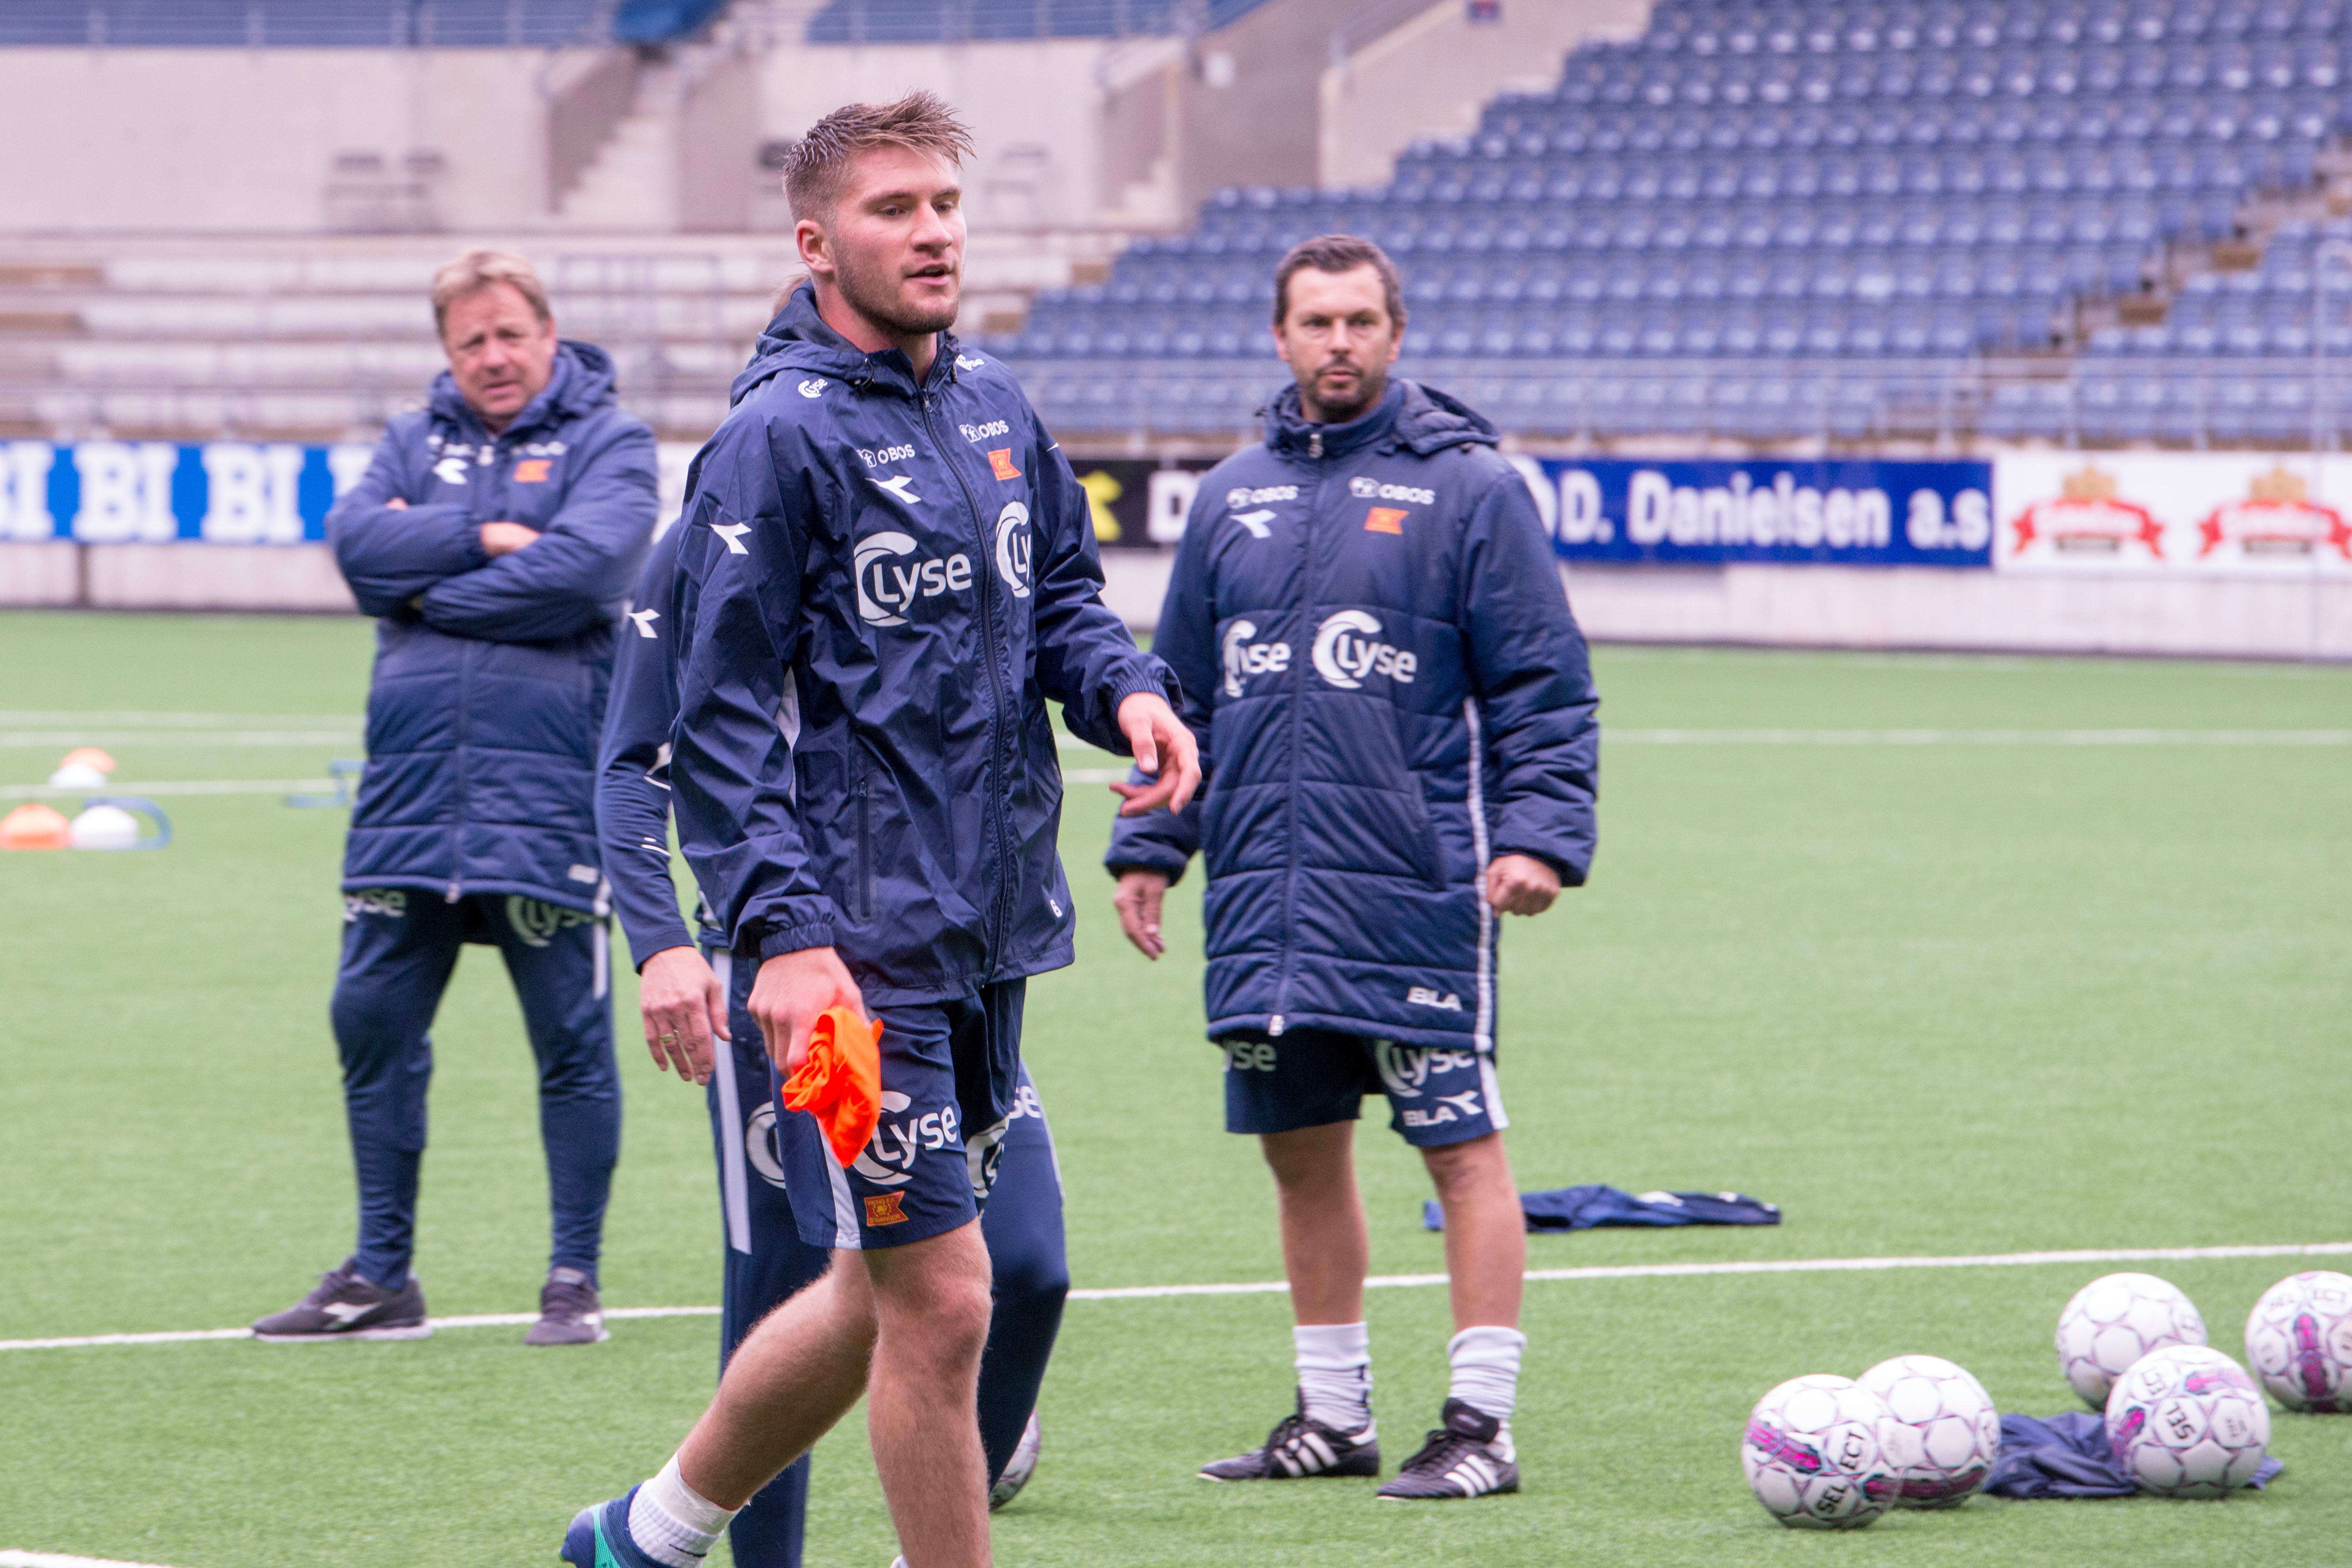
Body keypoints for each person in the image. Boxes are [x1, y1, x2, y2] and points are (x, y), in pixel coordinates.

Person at [562, 91, 1197, 1568]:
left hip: (987, 937)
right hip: (851, 965)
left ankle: (644, 1535)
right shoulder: (771, 442)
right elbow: (713, 721)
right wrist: (775, 938)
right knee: (947, 1298)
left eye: (945, 206)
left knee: (875, 1291)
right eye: (892, 209)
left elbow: (1061, 601)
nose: (931, 234)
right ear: (815, 242)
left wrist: (1129, 693)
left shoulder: (995, 406)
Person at [1104, 234, 1599, 1501]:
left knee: (1461, 1146)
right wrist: (1152, 846)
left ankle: (1481, 1424)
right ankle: (1334, 1415)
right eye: (1315, 321)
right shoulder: (1230, 496)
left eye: (1359, 321)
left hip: (1414, 886)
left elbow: (1543, 684)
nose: (1337, 341)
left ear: (1395, 333)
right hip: (1265, 894)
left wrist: (1539, 835)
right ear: (1279, 336)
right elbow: (1180, 694)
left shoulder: (1472, 489)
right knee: (1299, 1150)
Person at [591, 514, 1070, 1566]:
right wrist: (662, 942)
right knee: (794, 1278)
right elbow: (636, 761)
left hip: (949, 969)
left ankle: (650, 1532)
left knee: (1026, 1263)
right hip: (797, 987)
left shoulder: (938, 489)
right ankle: (702, 1544)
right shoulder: (716, 531)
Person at [255, 250, 658, 1347]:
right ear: (447, 351)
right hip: (410, 794)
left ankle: (572, 1278)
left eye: (509, 333)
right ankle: (382, 1275)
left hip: (547, 797)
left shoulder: (611, 440)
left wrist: (426, 596)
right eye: (470, 340)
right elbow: (356, 550)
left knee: (569, 1040)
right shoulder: (408, 439)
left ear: (549, 333)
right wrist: (480, 538)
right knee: (369, 1024)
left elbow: (590, 572)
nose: (493, 356)